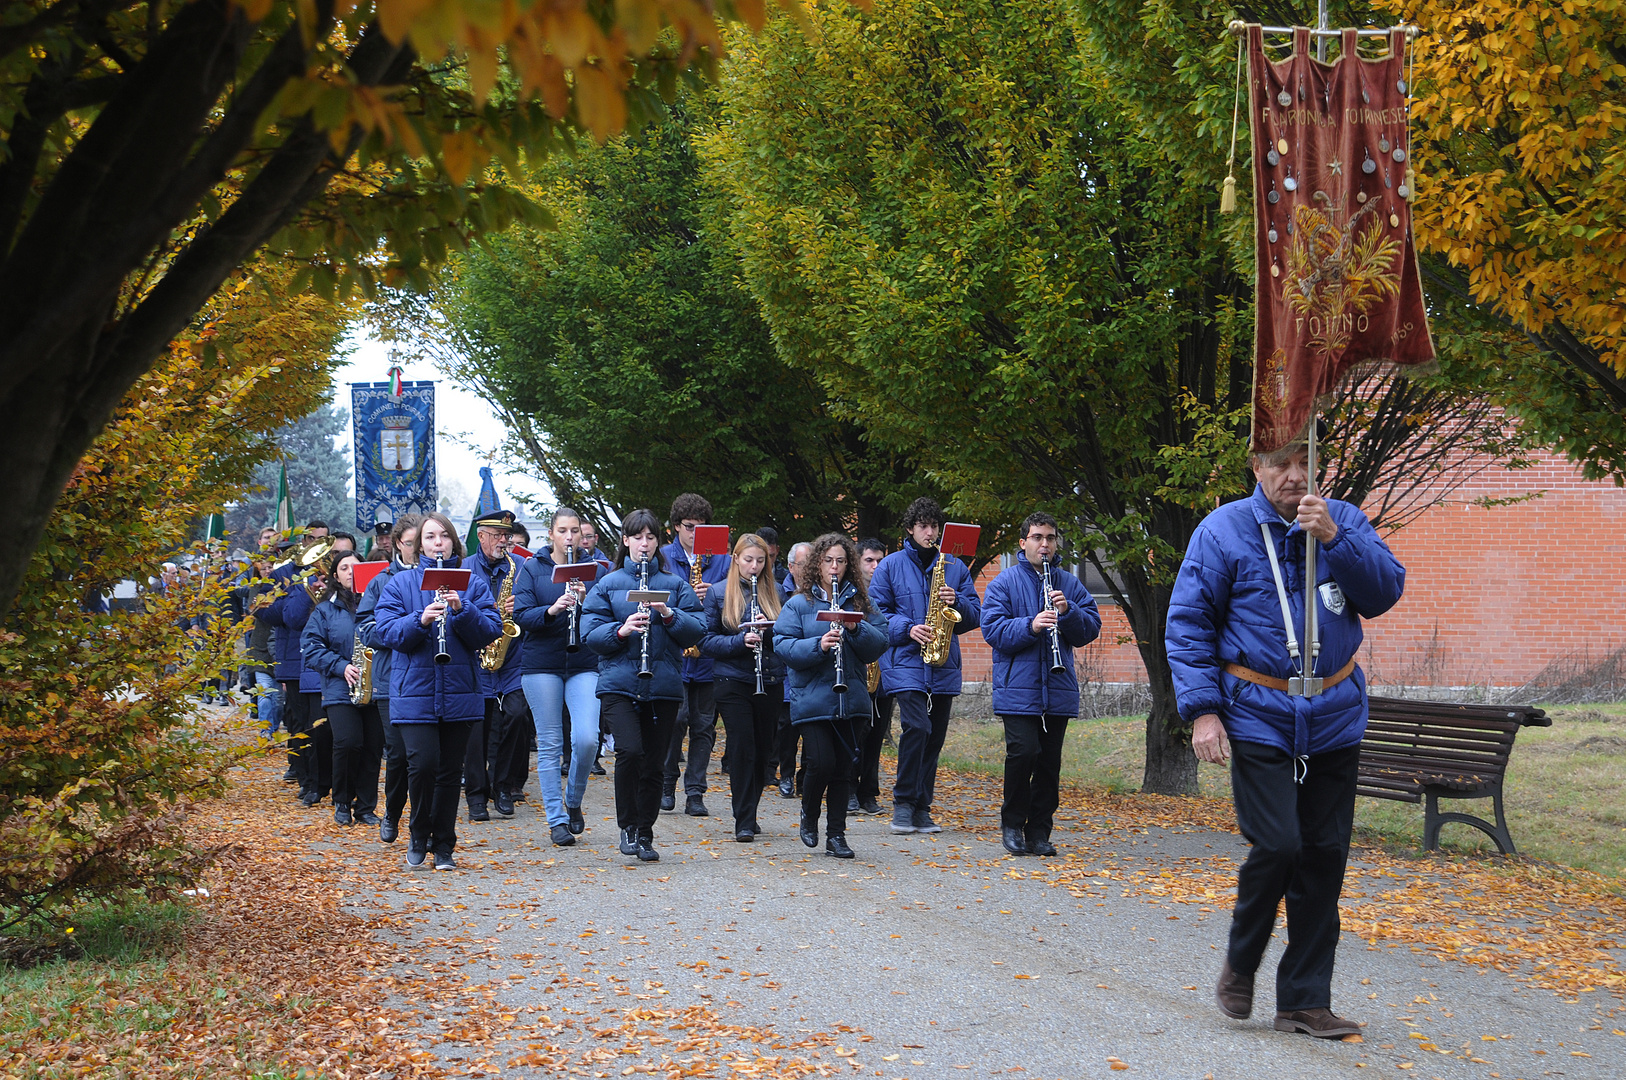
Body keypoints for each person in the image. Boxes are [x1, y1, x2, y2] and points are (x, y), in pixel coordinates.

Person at [1166, 438, 1405, 1039]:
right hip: (1257, 712)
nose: (1294, 476)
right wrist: (1202, 712)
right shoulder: (1222, 532)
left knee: (1324, 857)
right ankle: (1242, 960)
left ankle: (1303, 1000)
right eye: (1280, 464)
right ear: (1257, 468)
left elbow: (1384, 592)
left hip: (1332, 716)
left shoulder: (1341, 519)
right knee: (1278, 843)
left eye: (1305, 463)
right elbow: (1189, 624)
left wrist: (1334, 539)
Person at [374, 511, 502, 871]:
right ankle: (418, 834)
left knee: (449, 771)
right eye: (430, 537)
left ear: (453, 542)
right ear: (418, 545)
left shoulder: (471, 583)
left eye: (443, 536)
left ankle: (444, 844)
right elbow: (385, 632)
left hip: (460, 691)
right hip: (414, 692)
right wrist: (421, 619)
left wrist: (463, 610)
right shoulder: (401, 584)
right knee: (423, 764)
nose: (437, 543)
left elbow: (492, 628)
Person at [580, 509, 705, 863]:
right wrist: (621, 630)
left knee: (655, 763)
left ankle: (645, 833)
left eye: (650, 538)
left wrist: (668, 614)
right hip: (619, 682)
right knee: (630, 751)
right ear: (626, 541)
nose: (644, 544)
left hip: (662, 683)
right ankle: (627, 826)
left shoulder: (676, 585)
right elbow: (590, 634)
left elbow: (697, 630)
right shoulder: (607, 584)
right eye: (638, 537)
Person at [980, 513, 1101, 856]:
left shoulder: (1070, 584)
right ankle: (1012, 824)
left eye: (1049, 537)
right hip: (1017, 687)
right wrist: (1031, 625)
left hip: (1057, 686)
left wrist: (1069, 612)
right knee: (1023, 753)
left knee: (1049, 763)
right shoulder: (1004, 583)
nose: (1044, 544)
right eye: (1037, 537)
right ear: (1023, 543)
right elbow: (992, 631)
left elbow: (1090, 629)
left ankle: (1039, 832)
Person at [869, 497, 981, 835]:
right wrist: (908, 628)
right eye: (923, 526)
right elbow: (875, 614)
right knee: (917, 728)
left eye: (934, 526)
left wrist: (957, 601)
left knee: (934, 739)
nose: (929, 532)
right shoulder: (889, 566)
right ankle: (903, 804)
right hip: (904, 661)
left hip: (942, 662)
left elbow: (975, 614)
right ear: (910, 528)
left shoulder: (956, 568)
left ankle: (922, 808)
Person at [774, 533, 888, 859]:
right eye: (828, 561)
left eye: (840, 560)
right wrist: (818, 645)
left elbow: (879, 643)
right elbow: (782, 644)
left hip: (851, 698)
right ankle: (809, 813)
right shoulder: (799, 604)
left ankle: (836, 835)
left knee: (843, 768)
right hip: (813, 698)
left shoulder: (861, 603)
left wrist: (855, 628)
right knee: (821, 763)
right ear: (817, 565)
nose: (835, 567)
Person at [514, 507, 607, 847]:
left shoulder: (595, 571)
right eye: (563, 531)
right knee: (551, 744)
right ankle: (556, 820)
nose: (570, 538)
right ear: (551, 534)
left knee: (586, 739)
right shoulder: (533, 568)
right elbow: (522, 615)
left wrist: (587, 600)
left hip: (583, 660)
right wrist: (553, 610)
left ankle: (574, 799)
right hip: (541, 663)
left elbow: (606, 616)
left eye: (575, 532)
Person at [699, 533, 785, 842]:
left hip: (770, 678)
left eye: (761, 561)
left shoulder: (777, 593)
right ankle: (743, 818)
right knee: (743, 747)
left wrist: (769, 633)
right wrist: (741, 640)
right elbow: (706, 640)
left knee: (764, 750)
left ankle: (751, 808)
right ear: (736, 559)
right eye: (748, 560)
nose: (754, 566)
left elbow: (788, 639)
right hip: (732, 680)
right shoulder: (719, 593)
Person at [660, 493, 732, 817]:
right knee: (674, 721)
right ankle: (666, 783)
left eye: (702, 528)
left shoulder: (724, 560)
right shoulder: (663, 558)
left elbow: (736, 603)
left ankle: (695, 792)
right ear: (676, 527)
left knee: (704, 726)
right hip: (675, 653)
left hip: (708, 655)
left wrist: (714, 594)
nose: (695, 534)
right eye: (689, 527)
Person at [302, 552, 386, 827]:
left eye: (356, 567)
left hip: (375, 687)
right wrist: (341, 667)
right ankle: (342, 801)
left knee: (373, 748)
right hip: (340, 688)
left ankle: (365, 807)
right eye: (344, 568)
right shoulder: (325, 609)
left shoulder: (380, 604)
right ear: (335, 576)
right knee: (348, 743)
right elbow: (312, 648)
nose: (351, 572)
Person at [356, 514, 421, 843]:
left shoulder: (438, 577)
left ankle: (421, 825)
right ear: (398, 544)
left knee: (422, 758)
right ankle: (393, 812)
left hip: (427, 678)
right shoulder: (381, 580)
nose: (417, 549)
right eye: (411, 543)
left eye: (420, 542)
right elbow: (365, 627)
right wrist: (405, 630)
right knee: (397, 754)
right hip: (391, 678)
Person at [464, 510, 530, 822]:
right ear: (481, 535)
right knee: (475, 730)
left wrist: (522, 607)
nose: (503, 541)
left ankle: (503, 786)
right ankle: (477, 795)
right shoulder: (464, 569)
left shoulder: (520, 570)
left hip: (511, 659)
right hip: (475, 660)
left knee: (516, 717)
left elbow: (533, 610)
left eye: (506, 535)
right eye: (497, 535)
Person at [258, 542, 325, 803]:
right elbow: (276, 614)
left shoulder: (328, 571)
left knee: (325, 723)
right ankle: (307, 780)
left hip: (326, 656)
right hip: (294, 660)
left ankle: (325, 780)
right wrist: (303, 589)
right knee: (301, 723)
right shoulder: (279, 575)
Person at [851, 538, 891, 815]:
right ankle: (849, 790)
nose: (876, 566)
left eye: (880, 560)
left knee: (877, 734)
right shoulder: (851, 593)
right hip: (856, 674)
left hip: (884, 673)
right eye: (869, 560)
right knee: (855, 734)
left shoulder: (886, 590)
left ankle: (869, 792)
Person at [774, 540, 813, 797]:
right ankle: (786, 774)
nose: (809, 569)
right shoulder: (778, 592)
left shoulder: (820, 593)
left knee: (812, 729)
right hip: (785, 672)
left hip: (812, 671)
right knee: (786, 730)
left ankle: (805, 777)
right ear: (790, 566)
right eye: (803, 564)